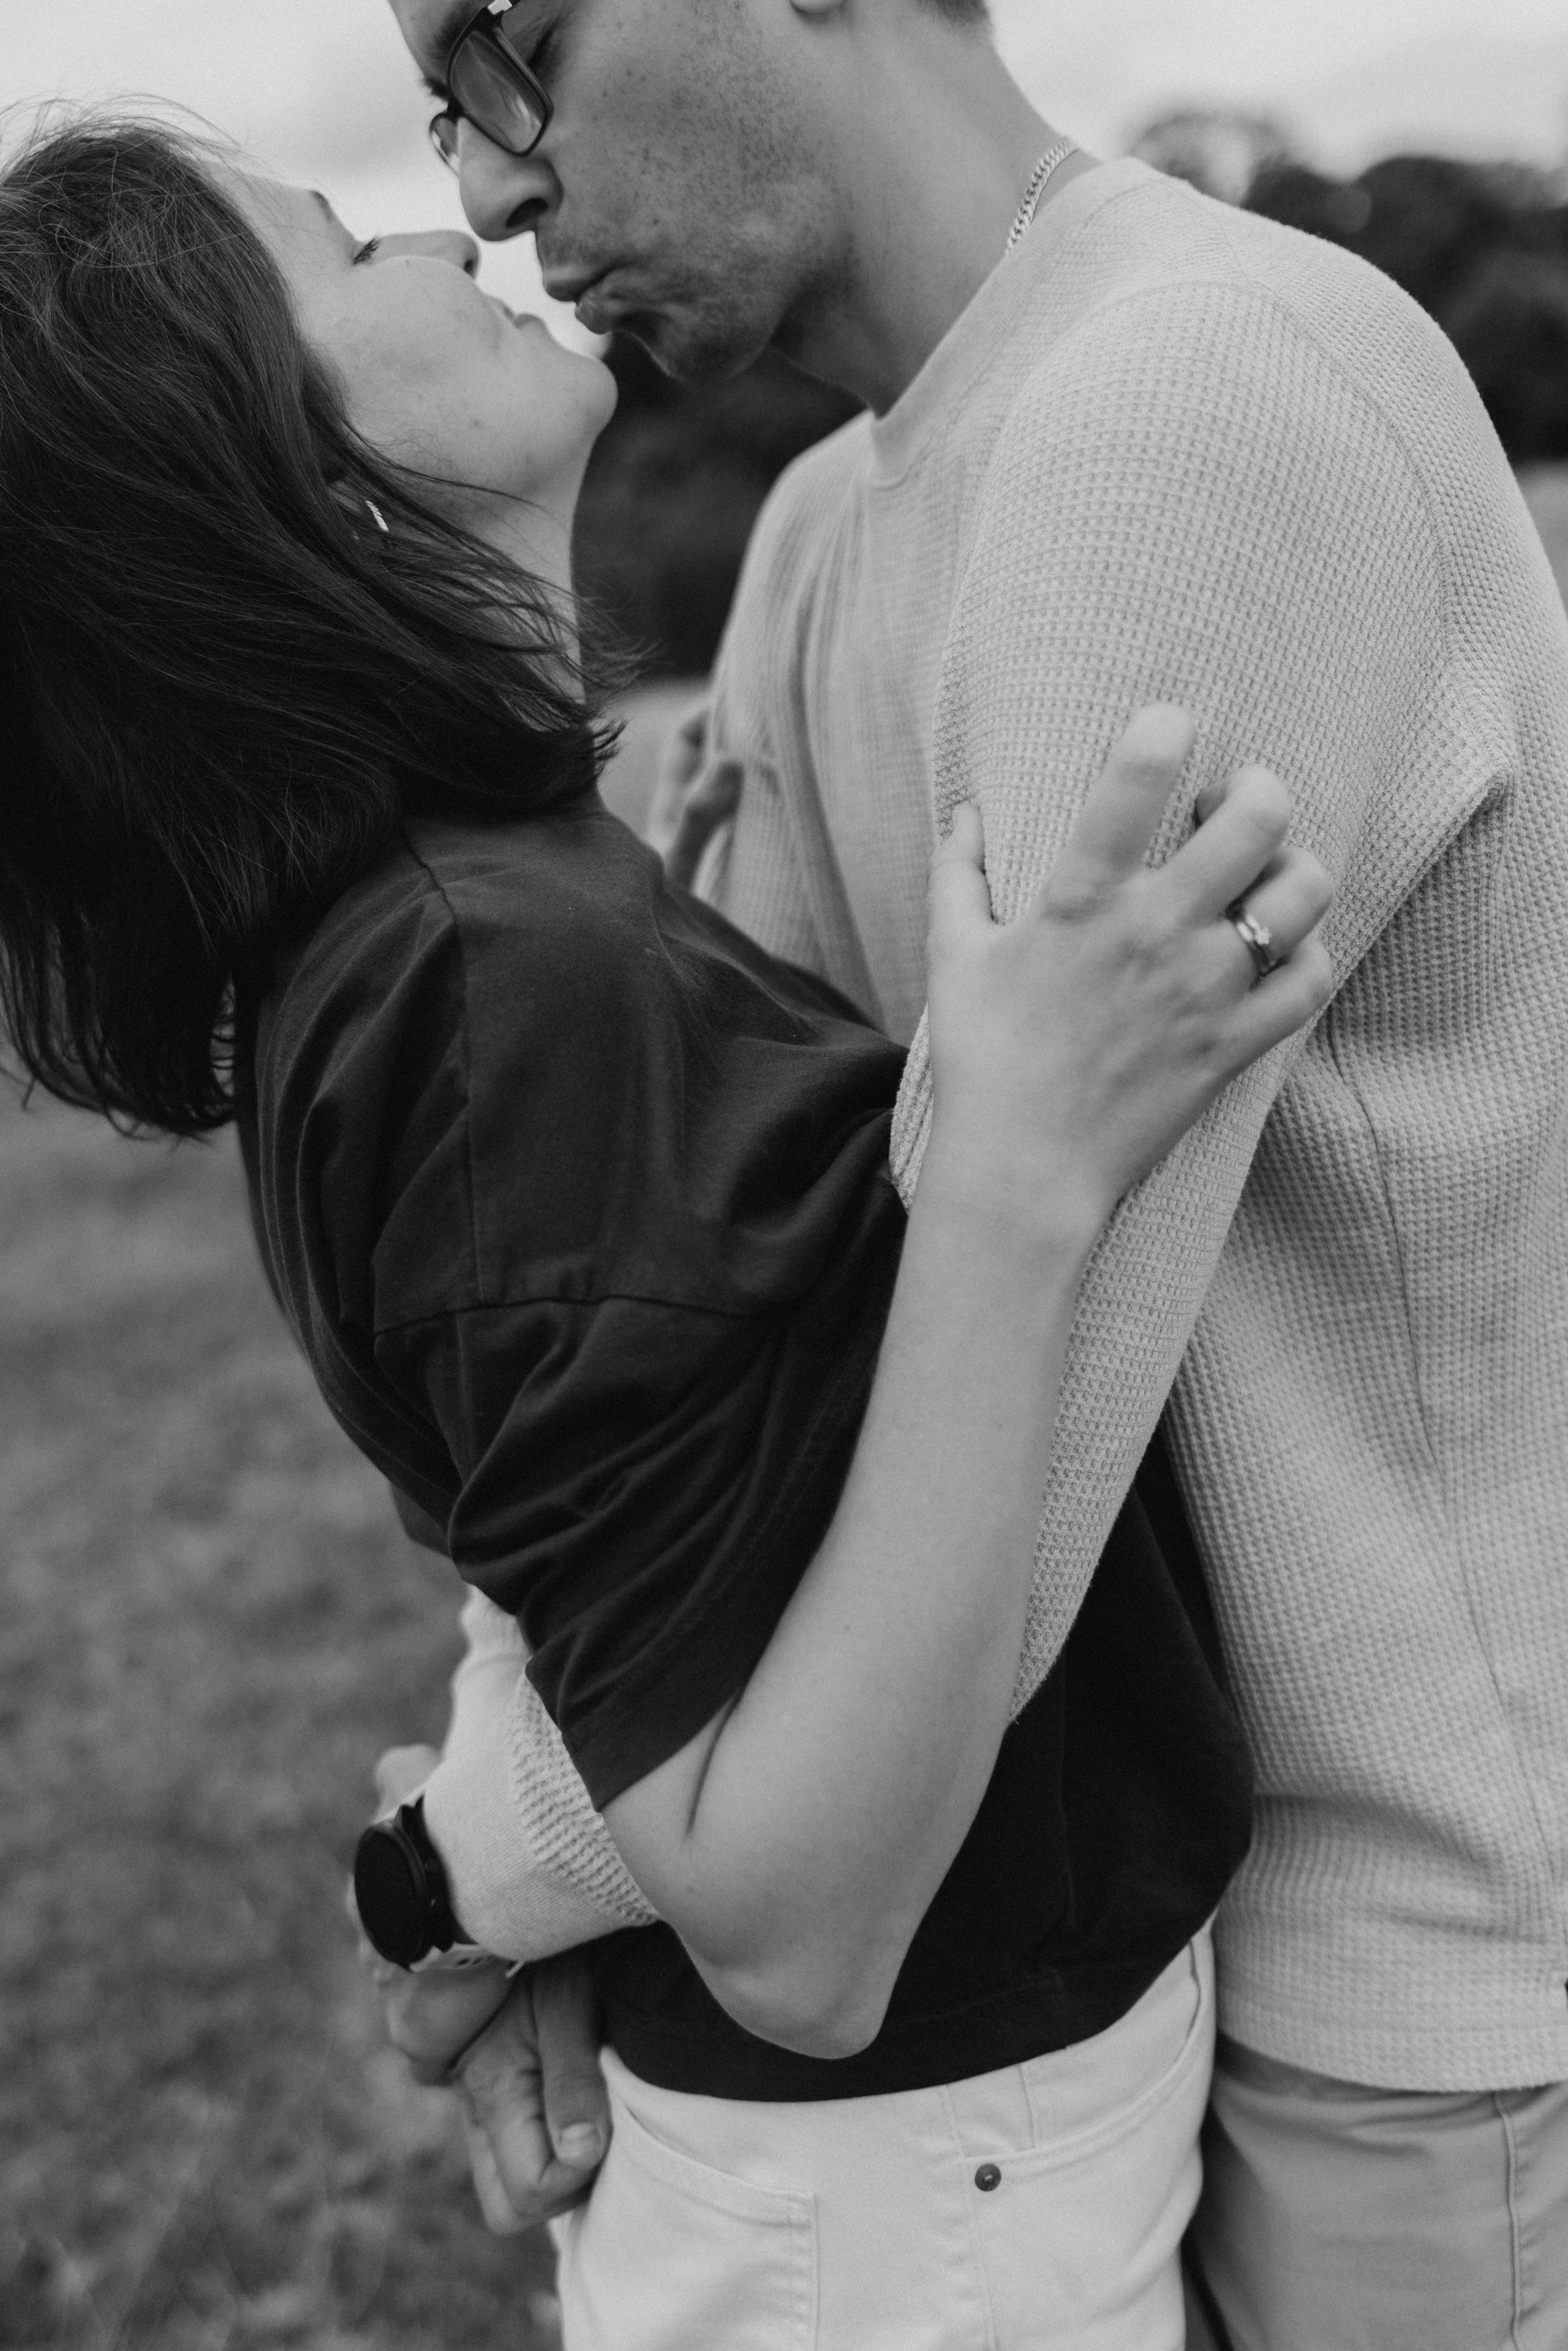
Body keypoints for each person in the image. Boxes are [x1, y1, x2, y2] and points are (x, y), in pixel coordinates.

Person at [0, 117, 1333, 2351]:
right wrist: (1014, 1170)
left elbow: (637, 1503)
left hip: (936, 2159)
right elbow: (799, 1930)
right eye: (342, 247)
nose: (446, 218)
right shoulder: (492, 992)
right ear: (288, 480)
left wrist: (467, 1877)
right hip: (911, 2192)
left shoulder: (459, 937)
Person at [378, 0, 1568, 2343]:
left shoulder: (1190, 404)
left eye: (503, 51)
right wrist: (525, 1828)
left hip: (1392, 1983)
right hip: (1113, 1960)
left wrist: (461, 1879)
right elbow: (751, 1365)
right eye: (433, 119)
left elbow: (970, 1548)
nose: (488, 192)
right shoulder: (832, 512)